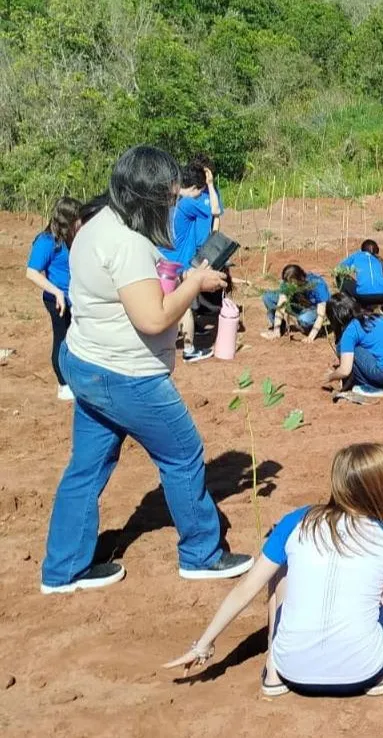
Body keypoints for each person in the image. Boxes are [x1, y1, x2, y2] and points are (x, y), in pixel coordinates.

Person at [40, 145, 252, 594]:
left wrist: (178, 276)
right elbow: (153, 319)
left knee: (87, 467)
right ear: (150, 194)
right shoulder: (128, 244)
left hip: (87, 362)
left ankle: (63, 569)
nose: (174, 200)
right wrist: (195, 282)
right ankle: (201, 554)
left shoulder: (96, 224)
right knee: (183, 454)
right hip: (126, 375)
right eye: (170, 193)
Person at [164, 443, 383, 698]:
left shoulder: (296, 522)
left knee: (281, 562)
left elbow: (246, 588)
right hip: (363, 670)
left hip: (291, 668)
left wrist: (204, 643)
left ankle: (273, 670)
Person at [164, 157, 223, 363]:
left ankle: (168, 342)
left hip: (163, 260)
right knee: (184, 306)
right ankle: (189, 349)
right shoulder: (188, 204)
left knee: (167, 303)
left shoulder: (170, 202)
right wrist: (210, 185)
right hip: (179, 264)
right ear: (194, 188)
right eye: (199, 190)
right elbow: (215, 211)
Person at [25, 196, 82, 401]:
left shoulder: (72, 238)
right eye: (77, 218)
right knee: (62, 339)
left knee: (77, 339)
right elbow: (32, 272)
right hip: (57, 299)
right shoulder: (47, 241)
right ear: (67, 220)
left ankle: (75, 378)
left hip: (75, 298)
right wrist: (57, 292)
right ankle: (63, 384)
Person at [326, 293, 383, 403]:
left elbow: (345, 371)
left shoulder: (351, 330)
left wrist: (330, 377)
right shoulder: (375, 316)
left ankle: (370, 387)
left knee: (346, 348)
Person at [261, 264, 330, 343]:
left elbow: (321, 315)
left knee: (304, 319)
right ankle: (280, 329)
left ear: (299, 278)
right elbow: (280, 307)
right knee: (268, 297)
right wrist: (276, 332)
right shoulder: (287, 282)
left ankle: (316, 329)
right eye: (287, 283)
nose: (289, 286)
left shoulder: (317, 284)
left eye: (292, 283)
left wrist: (311, 337)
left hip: (314, 310)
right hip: (298, 305)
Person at [338, 239, 383, 307]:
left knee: (342, 278)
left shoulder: (357, 256)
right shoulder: (379, 259)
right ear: (377, 250)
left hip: (363, 296)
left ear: (362, 250)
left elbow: (340, 268)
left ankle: (348, 306)